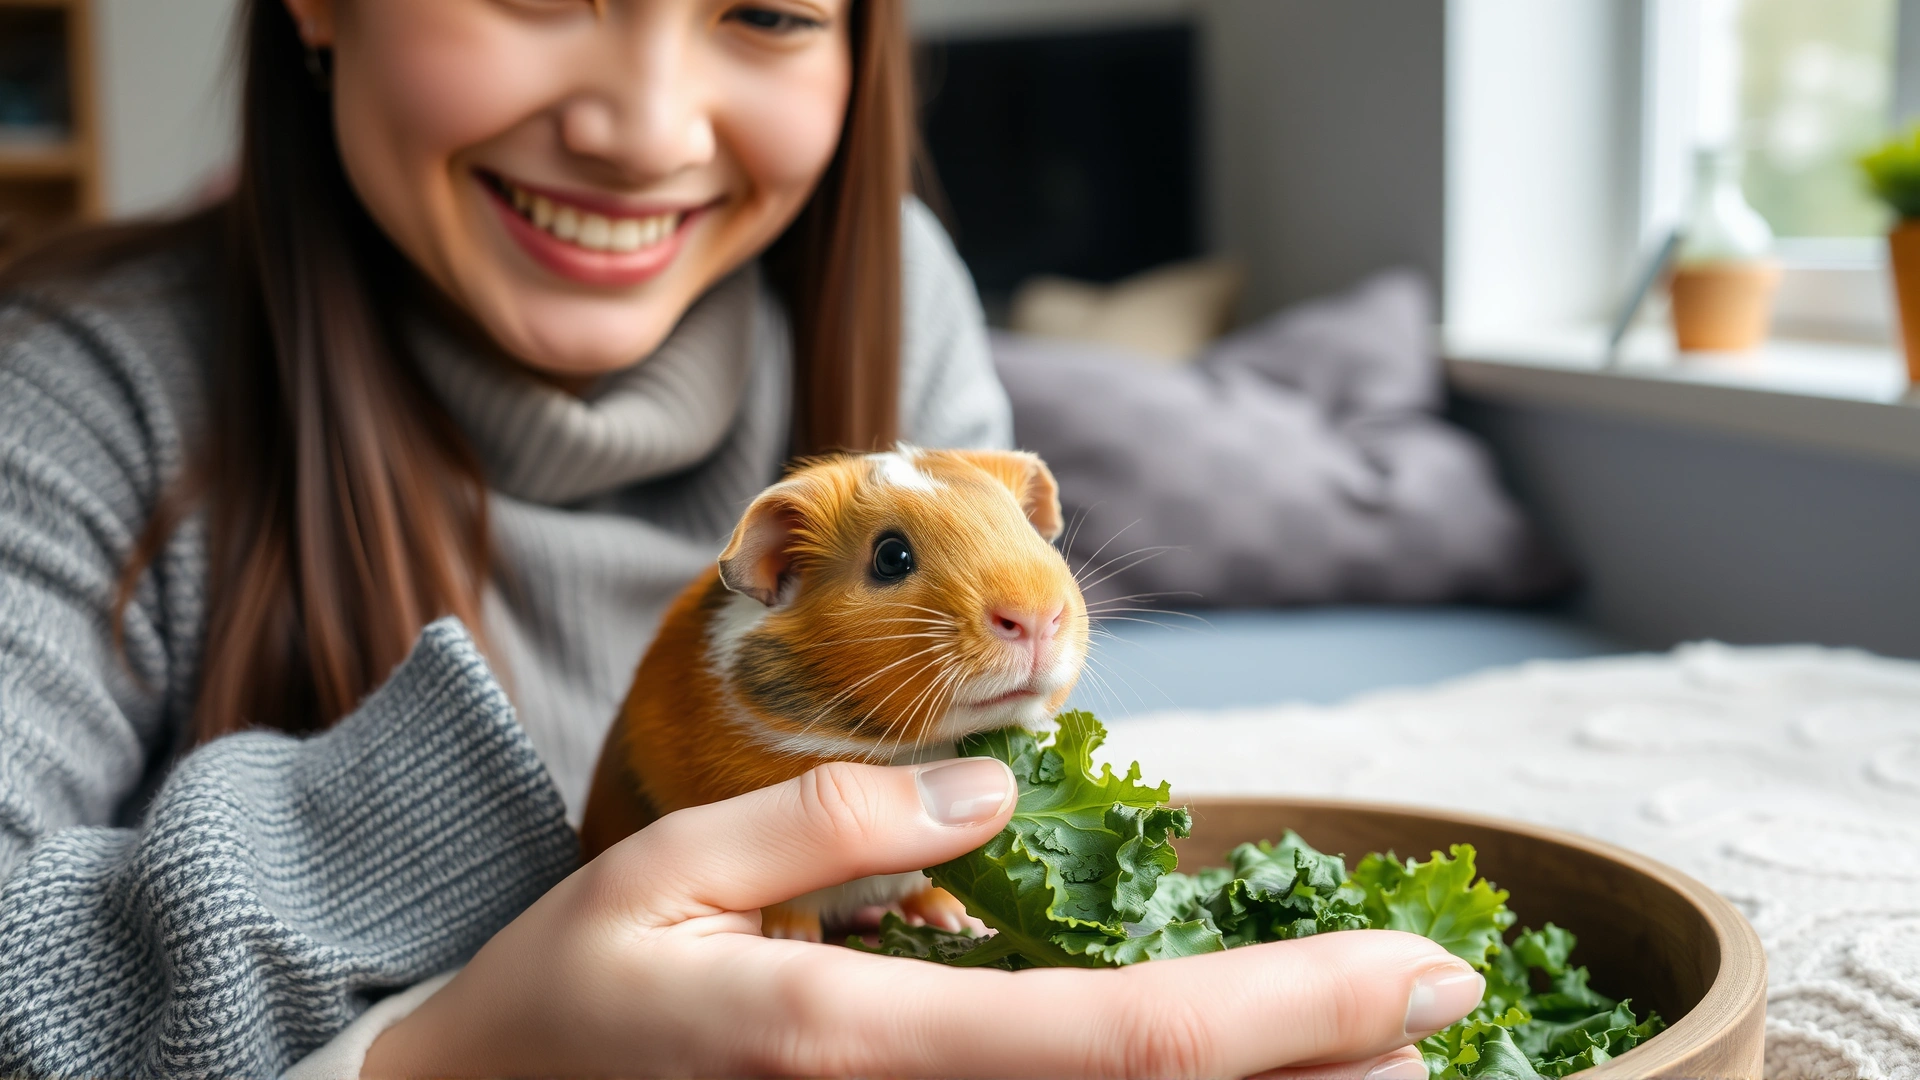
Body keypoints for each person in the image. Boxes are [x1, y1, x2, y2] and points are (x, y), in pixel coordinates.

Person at [0, 0, 1483, 1075]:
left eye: (768, 10)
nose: (645, 131)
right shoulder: (69, 390)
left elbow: (969, 770)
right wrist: (421, 1055)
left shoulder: (894, 299)